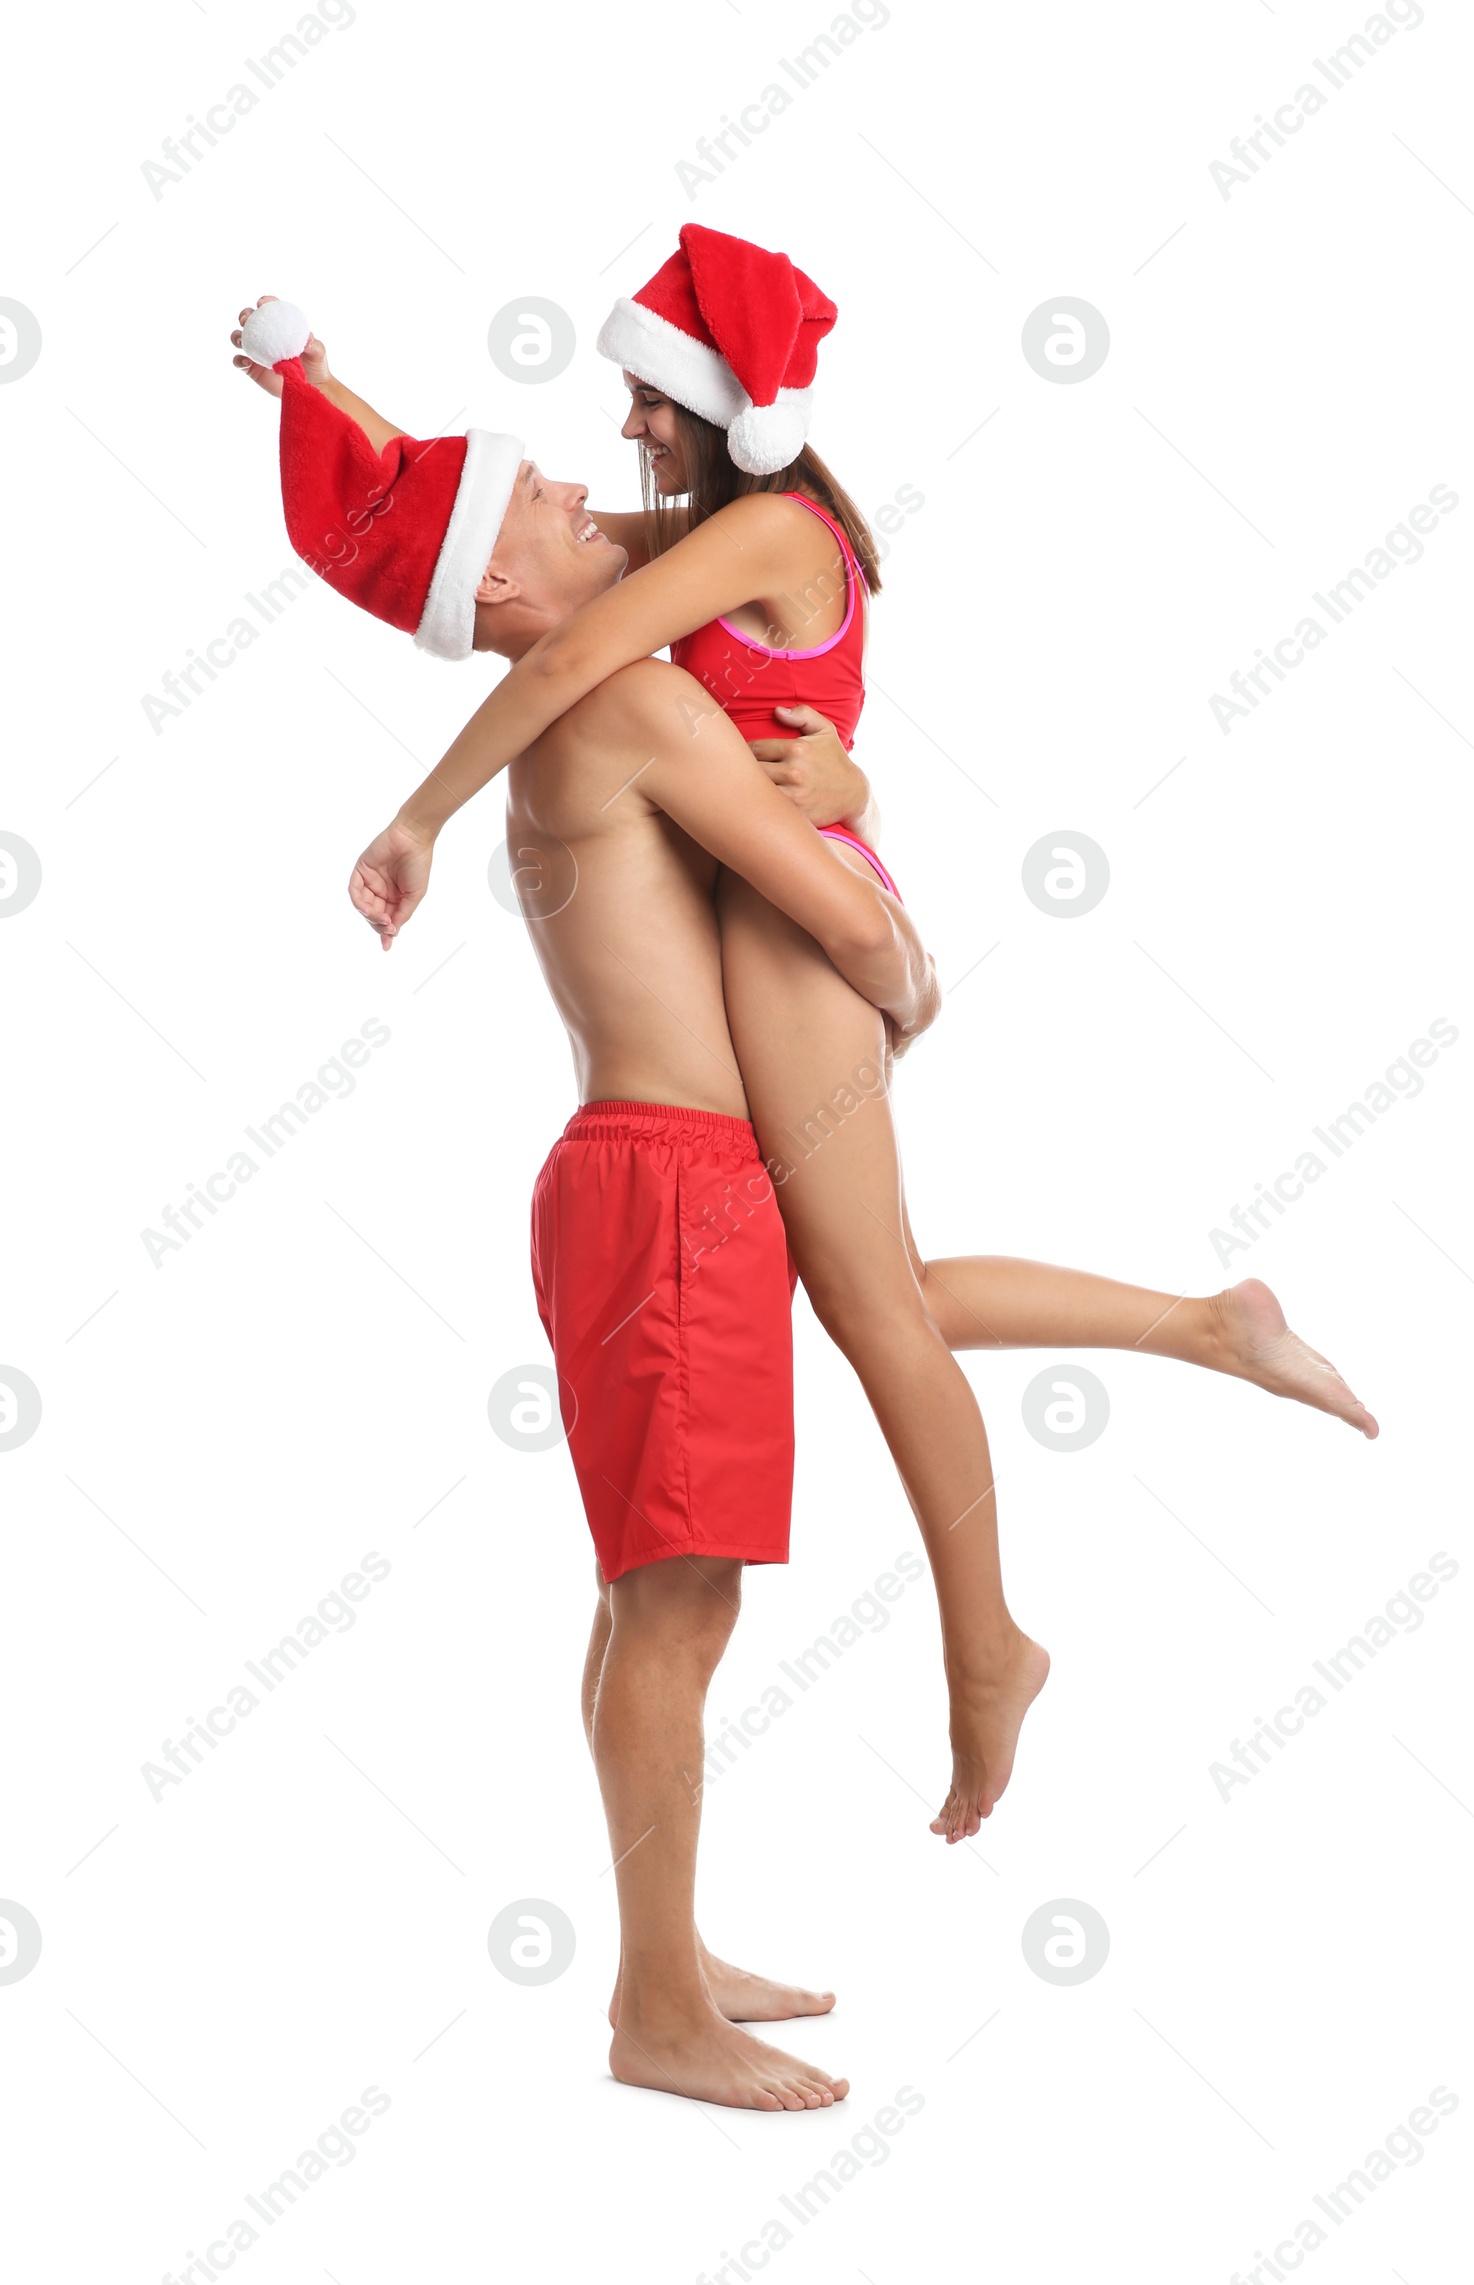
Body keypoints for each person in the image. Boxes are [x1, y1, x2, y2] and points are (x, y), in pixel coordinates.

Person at [275, 226, 1378, 1848]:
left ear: (713, 405)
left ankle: (987, 1643)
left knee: (873, 1313)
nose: (619, 448)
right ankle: (1208, 1324)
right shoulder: (723, 525)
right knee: (883, 1285)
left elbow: (560, 620)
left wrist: (419, 815)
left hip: (799, 929)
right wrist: (314, 380)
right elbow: (462, 539)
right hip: (787, 906)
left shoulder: (760, 528)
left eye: (645, 407)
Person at [233, 296, 947, 2109]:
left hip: (644, 1187)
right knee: (680, 1603)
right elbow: (841, 914)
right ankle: (652, 2009)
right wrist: (911, 971)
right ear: (513, 599)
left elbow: (443, 525)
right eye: (541, 508)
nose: (573, 479)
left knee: (650, 1601)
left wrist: (325, 386)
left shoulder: (595, 684)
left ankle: (668, 1948)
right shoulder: (619, 698)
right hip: (675, 1194)